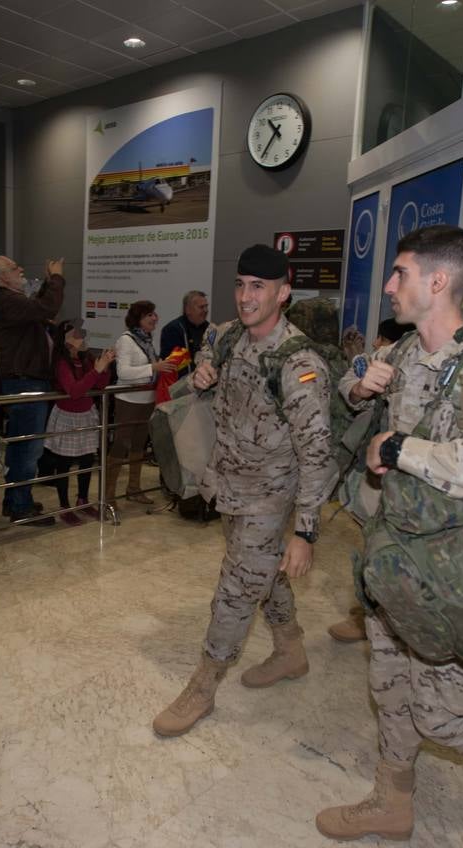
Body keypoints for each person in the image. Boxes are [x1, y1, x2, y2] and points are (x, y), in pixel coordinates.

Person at [316, 226, 463, 842]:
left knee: (442, 719)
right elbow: (351, 397)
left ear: (438, 282)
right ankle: (392, 800)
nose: (388, 285)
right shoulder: (407, 353)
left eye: (400, 273)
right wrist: (359, 388)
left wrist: (405, 450)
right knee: (388, 686)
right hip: (398, 559)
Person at [152, 244, 337, 737]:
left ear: (283, 292)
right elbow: (209, 348)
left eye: (258, 286)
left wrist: (305, 532)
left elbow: (319, 454)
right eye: (240, 284)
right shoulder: (230, 336)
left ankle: (203, 686)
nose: (245, 296)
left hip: (270, 500)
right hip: (229, 487)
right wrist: (204, 369)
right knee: (266, 578)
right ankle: (290, 650)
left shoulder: (299, 365)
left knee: (234, 593)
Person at [326, 314, 416, 644]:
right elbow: (350, 383)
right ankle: (367, 614)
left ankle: (406, 624)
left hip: (430, 485)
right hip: (385, 474)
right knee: (375, 544)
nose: (392, 287)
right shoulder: (394, 354)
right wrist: (361, 388)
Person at [0, 254, 66, 525]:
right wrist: (56, 279)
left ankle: (17, 500)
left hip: (28, 380)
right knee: (28, 448)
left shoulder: (11, 302)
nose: (20, 268)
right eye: (14, 267)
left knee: (24, 446)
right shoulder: (6, 300)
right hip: (25, 382)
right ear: (2, 278)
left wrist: (46, 283)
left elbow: (38, 307)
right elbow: (46, 309)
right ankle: (20, 506)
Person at [42, 319, 115, 524]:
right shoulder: (61, 363)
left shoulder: (86, 359)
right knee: (64, 464)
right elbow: (74, 391)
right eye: (76, 335)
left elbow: (100, 384)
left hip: (86, 414)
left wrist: (104, 366)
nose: (82, 338)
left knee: (86, 461)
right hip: (67, 416)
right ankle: (64, 506)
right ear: (65, 340)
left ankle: (82, 500)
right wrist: (96, 370)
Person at [109, 300, 176, 505]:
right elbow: (123, 372)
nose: (155, 318)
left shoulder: (146, 340)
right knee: (120, 447)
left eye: (154, 314)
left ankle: (134, 488)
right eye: (150, 315)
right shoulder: (126, 340)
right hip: (128, 402)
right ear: (138, 319)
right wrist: (153, 368)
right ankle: (108, 495)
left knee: (139, 446)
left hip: (146, 401)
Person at [159, 289, 210, 376]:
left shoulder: (209, 328)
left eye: (206, 306)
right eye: (201, 307)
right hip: (180, 384)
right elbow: (173, 365)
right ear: (188, 310)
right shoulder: (173, 329)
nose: (205, 310)